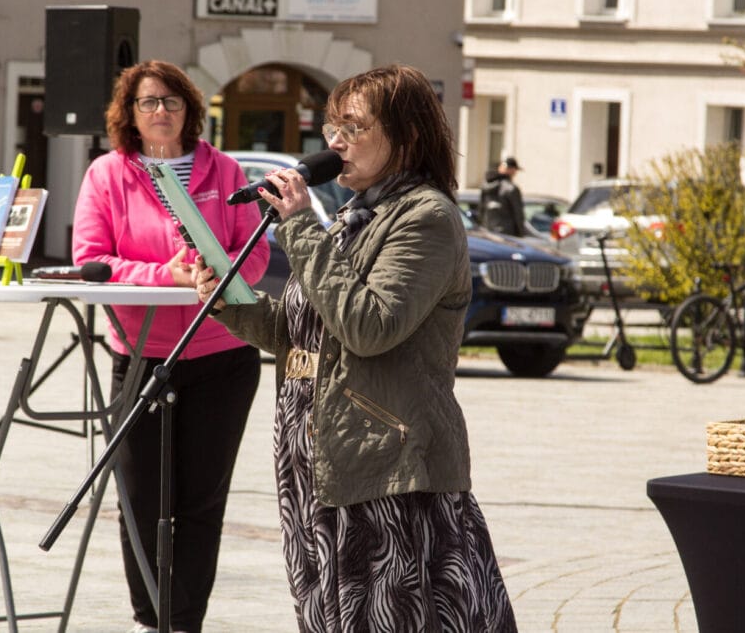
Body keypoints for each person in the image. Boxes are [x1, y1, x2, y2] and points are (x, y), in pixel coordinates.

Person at [194, 64, 517, 632]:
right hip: (315, 462)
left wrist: (298, 230)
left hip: (386, 467)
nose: (334, 142)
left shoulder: (426, 218)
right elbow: (307, 333)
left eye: (353, 127)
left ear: (406, 137)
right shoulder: (357, 214)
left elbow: (369, 326)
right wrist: (232, 305)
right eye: (330, 127)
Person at [71, 60, 270, 633]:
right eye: (148, 102)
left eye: (171, 101)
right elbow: (95, 261)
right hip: (140, 358)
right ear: (129, 115)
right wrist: (168, 276)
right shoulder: (107, 175)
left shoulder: (227, 171)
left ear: (190, 109)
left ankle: (182, 625)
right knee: (138, 500)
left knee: (201, 505)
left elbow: (255, 251)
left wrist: (219, 272)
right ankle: (146, 619)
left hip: (220, 358)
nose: (160, 111)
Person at [481, 156, 527, 237]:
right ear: (511, 170)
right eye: (515, 170)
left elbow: (481, 209)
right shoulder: (512, 188)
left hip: (488, 232)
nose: (515, 173)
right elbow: (518, 215)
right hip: (507, 235)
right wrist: (521, 234)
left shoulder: (486, 186)